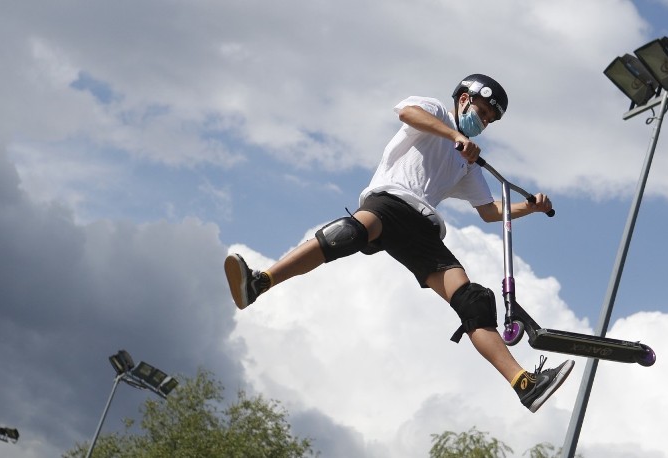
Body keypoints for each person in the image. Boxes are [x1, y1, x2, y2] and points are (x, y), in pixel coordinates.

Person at [225, 74, 574, 413]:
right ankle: (259, 282)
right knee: (349, 233)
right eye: (481, 113)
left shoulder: (467, 164)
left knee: (473, 302)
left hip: (423, 229)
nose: (482, 123)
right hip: (389, 203)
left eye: (488, 121)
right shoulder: (435, 111)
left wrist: (531, 207)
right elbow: (406, 113)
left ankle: (524, 384)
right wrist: (454, 134)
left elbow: (490, 211)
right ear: (465, 99)